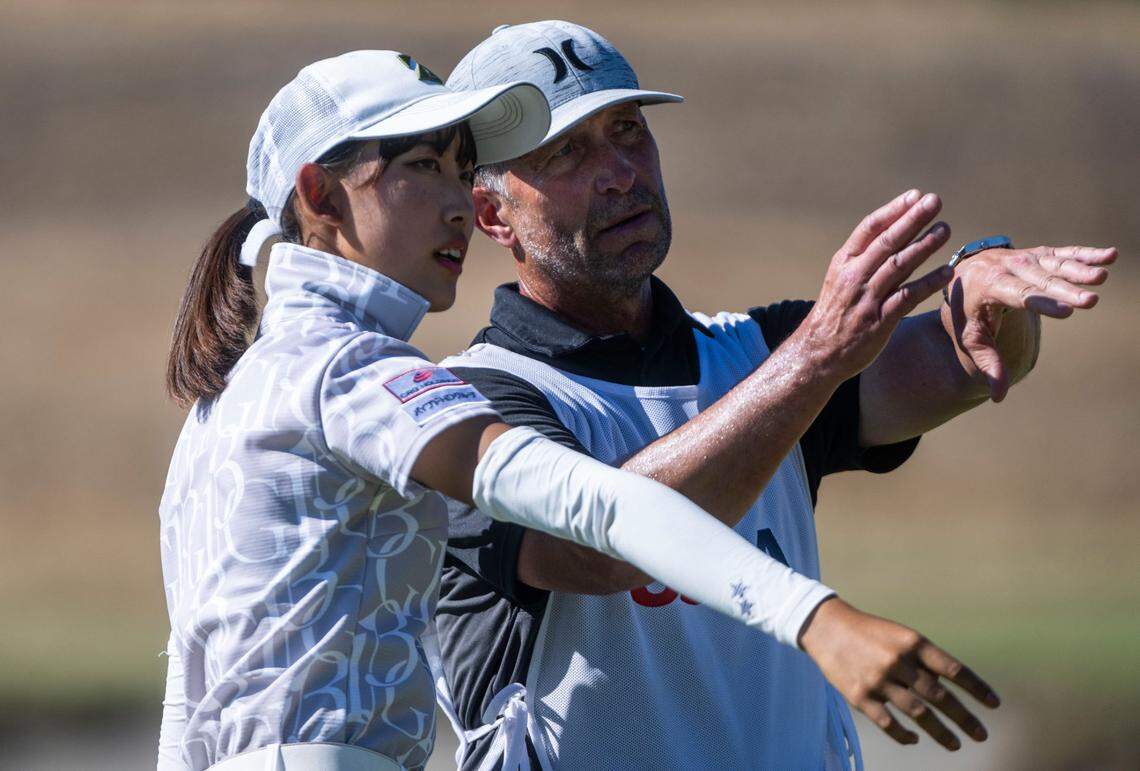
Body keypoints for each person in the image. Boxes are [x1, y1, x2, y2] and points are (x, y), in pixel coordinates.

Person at [158, 49, 901, 771]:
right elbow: (596, 508)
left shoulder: (225, 401)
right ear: (320, 196)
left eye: (458, 170)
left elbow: (185, 703)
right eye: (421, 168)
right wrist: (811, 615)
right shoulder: (344, 365)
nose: (458, 204)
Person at [431, 21, 1117, 770]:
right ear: (493, 213)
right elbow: (598, 550)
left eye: (627, 130)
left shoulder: (759, 353)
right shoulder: (460, 413)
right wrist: (815, 358)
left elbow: (966, 362)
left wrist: (993, 289)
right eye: (568, 151)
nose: (621, 172)